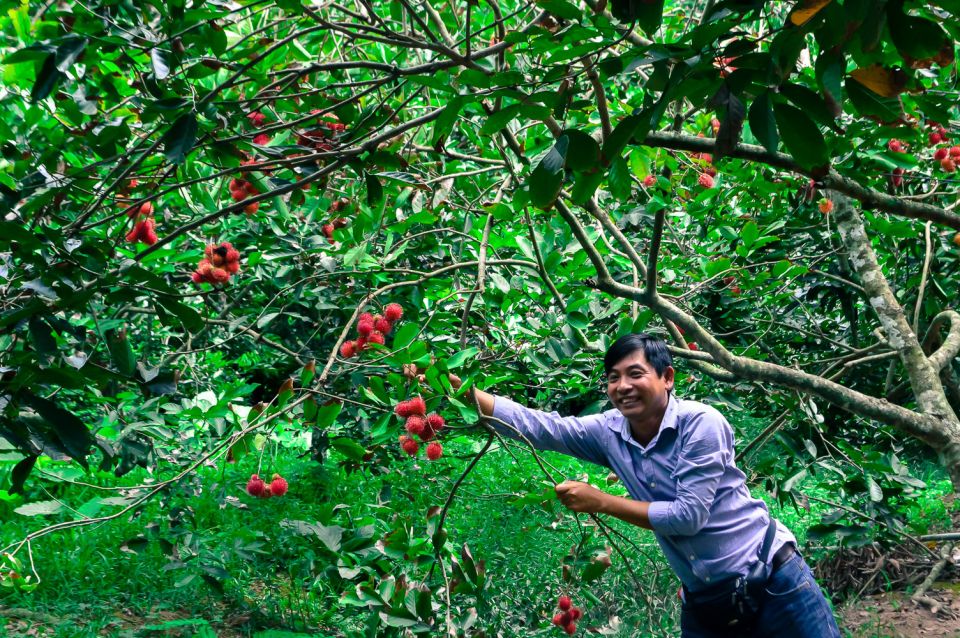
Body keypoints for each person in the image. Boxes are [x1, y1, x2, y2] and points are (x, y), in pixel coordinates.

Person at [450, 333, 841, 637]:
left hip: (773, 580)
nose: (622, 386)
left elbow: (688, 516)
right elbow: (542, 426)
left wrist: (601, 501)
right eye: (613, 378)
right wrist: (452, 388)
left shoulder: (702, 423)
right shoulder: (608, 431)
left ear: (667, 378)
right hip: (706, 600)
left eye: (635, 374)